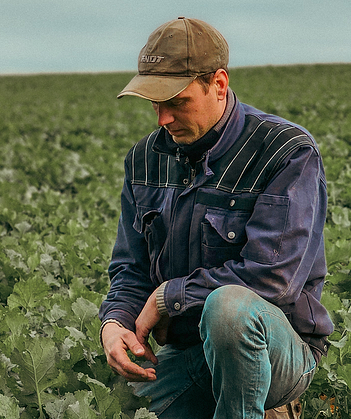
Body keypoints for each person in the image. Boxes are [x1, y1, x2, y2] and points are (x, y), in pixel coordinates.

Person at [98, 17, 333, 418]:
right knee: (102, 405)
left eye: (176, 102)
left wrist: (168, 297)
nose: (163, 119)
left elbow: (271, 281)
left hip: (277, 352)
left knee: (230, 310)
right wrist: (115, 323)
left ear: (218, 84)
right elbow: (130, 267)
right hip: (186, 351)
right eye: (155, 104)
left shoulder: (285, 153)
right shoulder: (144, 159)